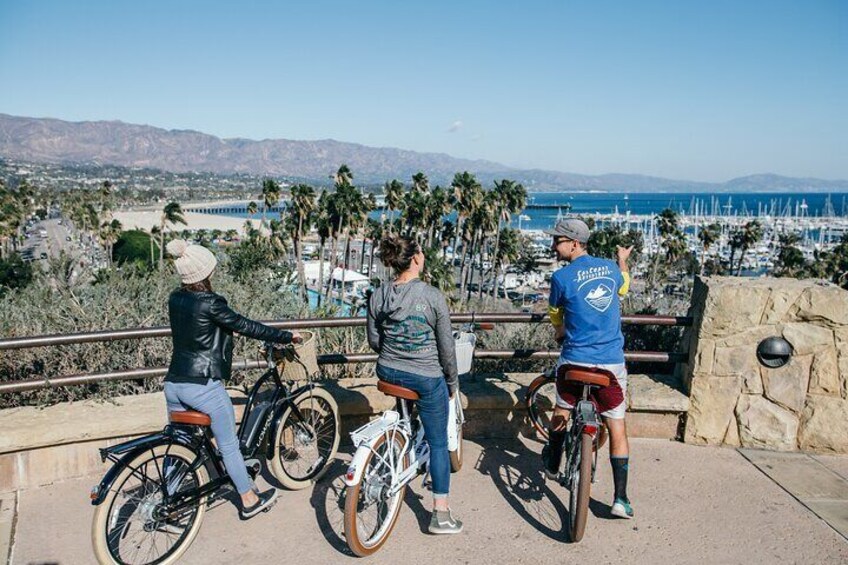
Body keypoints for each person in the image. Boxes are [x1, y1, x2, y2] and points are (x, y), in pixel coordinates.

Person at [164, 239, 300, 519]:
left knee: (179, 442)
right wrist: (287, 336)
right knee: (228, 444)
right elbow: (245, 325)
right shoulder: (211, 303)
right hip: (203, 387)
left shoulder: (175, 299)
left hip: (174, 383)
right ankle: (249, 498)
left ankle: (169, 497)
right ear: (206, 272)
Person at [366, 234, 462, 535]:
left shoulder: (379, 294)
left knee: (407, 414)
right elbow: (447, 348)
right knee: (438, 443)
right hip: (425, 375)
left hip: (388, 372)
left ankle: (401, 447)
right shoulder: (432, 296)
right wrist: (452, 382)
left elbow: (374, 340)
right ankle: (441, 514)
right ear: (417, 258)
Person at [542, 219, 635, 519]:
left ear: (574, 243)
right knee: (617, 428)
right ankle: (620, 498)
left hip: (574, 361)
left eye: (558, 240)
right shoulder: (610, 269)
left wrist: (559, 330)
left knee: (562, 410)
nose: (554, 245)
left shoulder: (562, 278)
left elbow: (555, 312)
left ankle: (554, 460)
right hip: (610, 364)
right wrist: (622, 261)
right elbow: (623, 287)